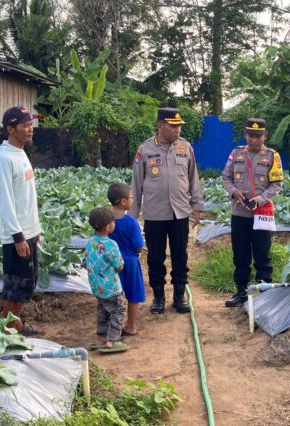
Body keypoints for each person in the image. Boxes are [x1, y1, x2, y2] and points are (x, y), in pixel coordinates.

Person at [130, 107, 204, 314]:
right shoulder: (145, 149)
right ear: (160, 125)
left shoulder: (185, 147)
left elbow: (193, 178)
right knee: (155, 257)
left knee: (180, 255)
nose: (177, 130)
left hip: (180, 212)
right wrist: (132, 217)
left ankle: (179, 296)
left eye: (179, 126)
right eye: (173, 126)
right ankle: (159, 296)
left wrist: (197, 205)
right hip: (154, 214)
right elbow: (135, 183)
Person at [222, 118, 283, 307]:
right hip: (239, 214)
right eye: (251, 135)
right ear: (245, 135)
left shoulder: (273, 156)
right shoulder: (236, 153)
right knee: (240, 254)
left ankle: (263, 292)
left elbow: (277, 184)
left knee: (262, 253)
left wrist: (261, 199)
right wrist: (234, 192)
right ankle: (241, 291)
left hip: (262, 213)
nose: (254, 139)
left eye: (258, 136)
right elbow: (226, 177)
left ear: (265, 136)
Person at [0, 106, 43, 336]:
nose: (30, 129)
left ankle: (13, 324)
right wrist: (18, 237)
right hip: (17, 237)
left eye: (31, 125)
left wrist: (34, 231)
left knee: (26, 283)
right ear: (10, 129)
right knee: (14, 286)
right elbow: (6, 201)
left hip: (29, 232)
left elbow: (26, 198)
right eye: (25, 125)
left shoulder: (20, 152)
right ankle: (9, 329)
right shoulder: (3, 158)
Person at [83, 207, 129, 353]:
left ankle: (100, 336)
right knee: (118, 310)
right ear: (109, 226)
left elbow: (84, 262)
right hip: (112, 288)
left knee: (102, 309)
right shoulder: (111, 245)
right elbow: (120, 266)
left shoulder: (91, 242)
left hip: (97, 287)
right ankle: (112, 340)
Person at [108, 182, 145, 335]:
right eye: (131, 197)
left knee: (113, 297)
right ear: (123, 201)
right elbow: (138, 244)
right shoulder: (131, 222)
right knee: (133, 295)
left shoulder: (106, 221)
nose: (133, 200)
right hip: (129, 263)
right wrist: (138, 250)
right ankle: (130, 326)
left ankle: (111, 328)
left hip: (110, 265)